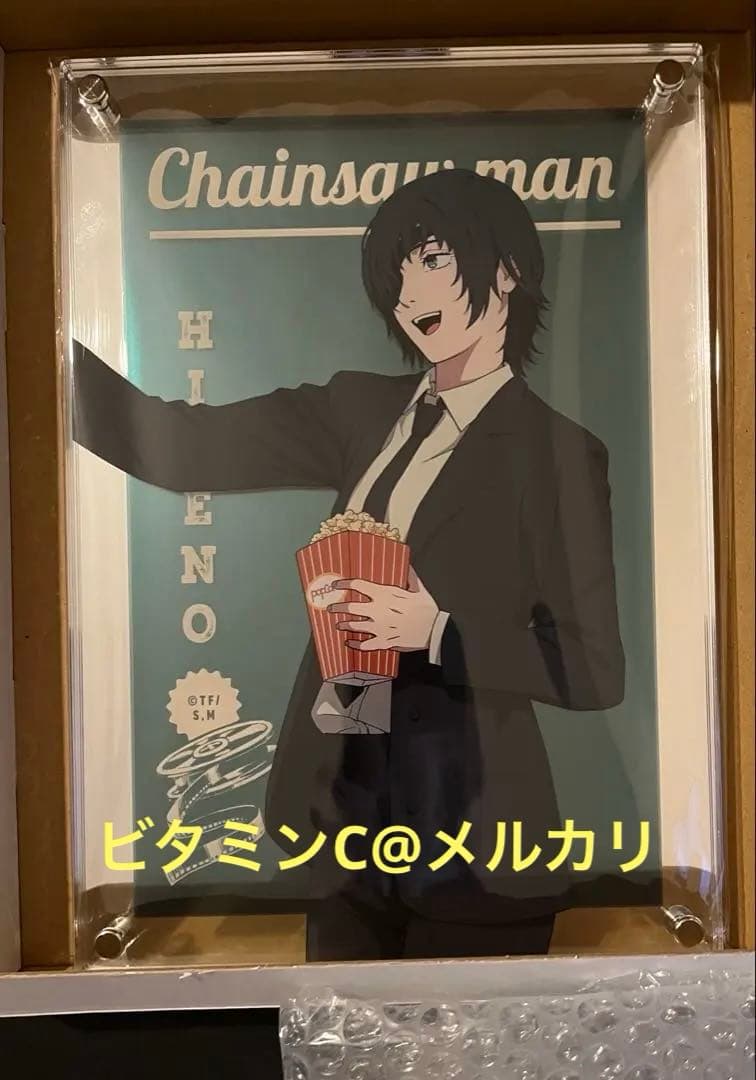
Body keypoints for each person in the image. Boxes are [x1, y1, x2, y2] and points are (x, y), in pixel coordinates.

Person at [72, 168, 625, 961]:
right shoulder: (359, 408)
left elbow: (593, 668)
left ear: (507, 271)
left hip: (472, 849)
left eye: (432, 259)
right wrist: (34, 341)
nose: (408, 293)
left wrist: (435, 631)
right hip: (338, 828)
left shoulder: (559, 454)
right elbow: (182, 444)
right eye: (395, 272)